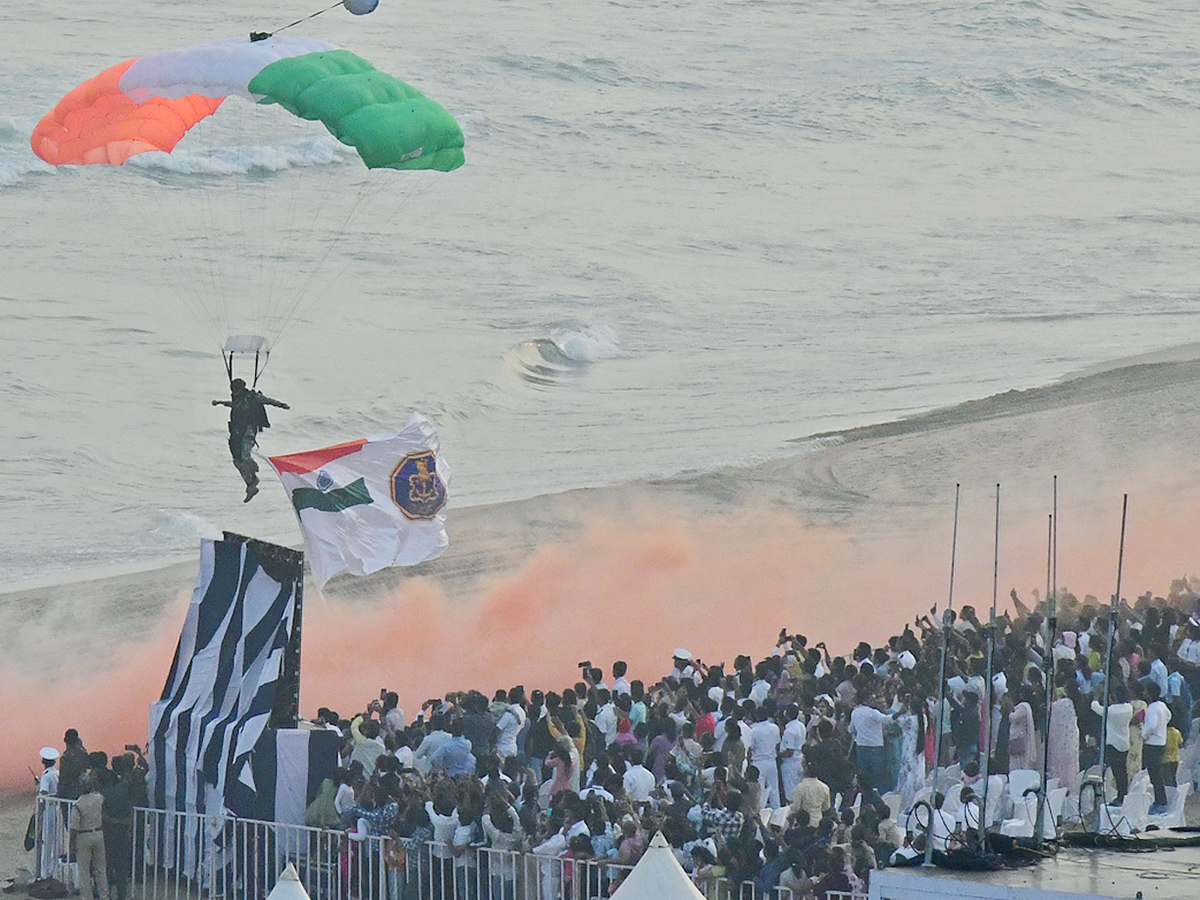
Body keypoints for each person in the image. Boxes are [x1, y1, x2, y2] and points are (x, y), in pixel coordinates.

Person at [212, 378, 289, 501]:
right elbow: (233, 404)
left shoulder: (253, 397)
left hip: (248, 431)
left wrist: (281, 405)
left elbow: (268, 400)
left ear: (241, 388)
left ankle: (254, 469)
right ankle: (251, 483)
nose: (234, 392)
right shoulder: (237, 399)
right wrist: (220, 402)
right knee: (237, 460)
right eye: (233, 390)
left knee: (245, 456)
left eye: (236, 390)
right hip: (236, 432)